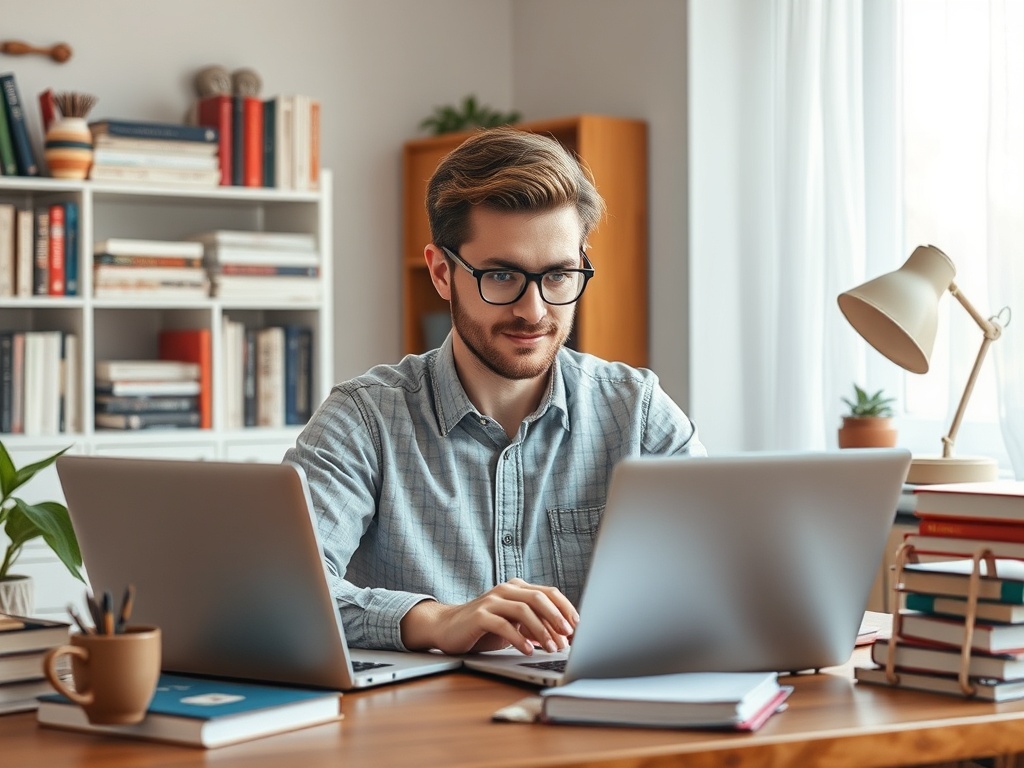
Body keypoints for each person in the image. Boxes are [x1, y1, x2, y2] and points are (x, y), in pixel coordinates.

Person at [284, 126, 705, 659]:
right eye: (502, 276)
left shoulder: (637, 411)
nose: (534, 310)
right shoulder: (363, 420)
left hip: (600, 727)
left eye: (558, 276)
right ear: (441, 272)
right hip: (424, 734)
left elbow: (725, 573)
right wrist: (434, 620)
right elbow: (285, 592)